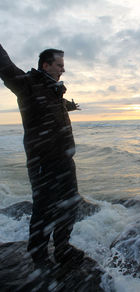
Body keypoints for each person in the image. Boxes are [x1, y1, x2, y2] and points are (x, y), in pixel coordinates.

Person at [0, 44, 84, 268]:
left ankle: (63, 248)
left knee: (70, 203)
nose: (63, 70)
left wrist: (71, 106)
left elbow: (59, 105)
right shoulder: (27, 84)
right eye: (59, 65)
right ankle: (38, 255)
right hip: (43, 162)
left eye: (63, 66)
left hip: (65, 160)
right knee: (44, 208)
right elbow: (6, 66)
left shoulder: (54, 91)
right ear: (45, 65)